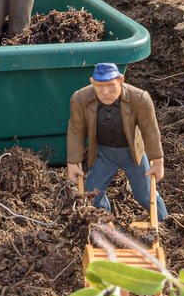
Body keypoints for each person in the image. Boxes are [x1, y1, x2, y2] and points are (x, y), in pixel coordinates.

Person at [67, 62, 168, 219]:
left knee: (145, 195)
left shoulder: (139, 99)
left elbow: (150, 131)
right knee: (91, 195)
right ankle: (103, 218)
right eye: (100, 87)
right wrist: (73, 162)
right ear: (92, 82)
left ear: (121, 80)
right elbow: (76, 130)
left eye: (111, 85)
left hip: (133, 154)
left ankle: (163, 220)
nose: (106, 92)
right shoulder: (80, 99)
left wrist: (157, 160)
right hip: (104, 154)